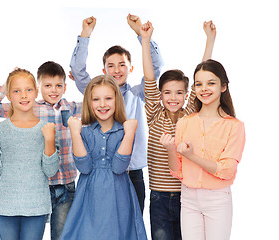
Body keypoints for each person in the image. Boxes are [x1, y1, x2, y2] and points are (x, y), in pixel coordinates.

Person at [69, 14, 163, 213]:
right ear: (103, 70)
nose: (116, 70)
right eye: (110, 66)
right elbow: (77, 71)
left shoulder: (138, 94)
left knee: (132, 223)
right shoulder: (95, 92)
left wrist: (141, 35)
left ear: (131, 67)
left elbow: (156, 68)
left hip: (132, 171)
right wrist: (85, 35)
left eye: (122, 64)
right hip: (101, 171)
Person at [0, 61, 81, 240]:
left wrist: (81, 81)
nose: (53, 90)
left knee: (62, 236)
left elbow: (95, 102)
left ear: (65, 87)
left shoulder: (70, 107)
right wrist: (8, 84)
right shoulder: (28, 106)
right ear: (39, 88)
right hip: (38, 187)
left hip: (64, 182)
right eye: (48, 86)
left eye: (58, 86)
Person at [141, 21, 216, 240]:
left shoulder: (191, 114)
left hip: (189, 196)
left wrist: (209, 40)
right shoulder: (154, 115)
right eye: (167, 93)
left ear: (186, 95)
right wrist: (145, 41)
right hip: (159, 196)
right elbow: (149, 78)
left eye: (178, 93)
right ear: (160, 95)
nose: (173, 98)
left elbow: (201, 78)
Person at [160, 59, 245, 240]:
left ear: (223, 87)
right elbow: (177, 171)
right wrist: (170, 148)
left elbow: (227, 171)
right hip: (188, 198)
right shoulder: (185, 123)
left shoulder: (234, 126)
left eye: (211, 83)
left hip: (217, 200)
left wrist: (192, 156)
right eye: (199, 84)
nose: (204, 88)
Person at [60, 75, 147, 240]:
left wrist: (129, 134)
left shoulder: (125, 130)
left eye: (108, 98)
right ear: (89, 102)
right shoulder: (84, 132)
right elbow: (84, 167)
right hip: (90, 195)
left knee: (117, 233)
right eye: (96, 99)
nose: (102, 104)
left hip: (118, 194)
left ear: (117, 100)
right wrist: (74, 133)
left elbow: (118, 167)